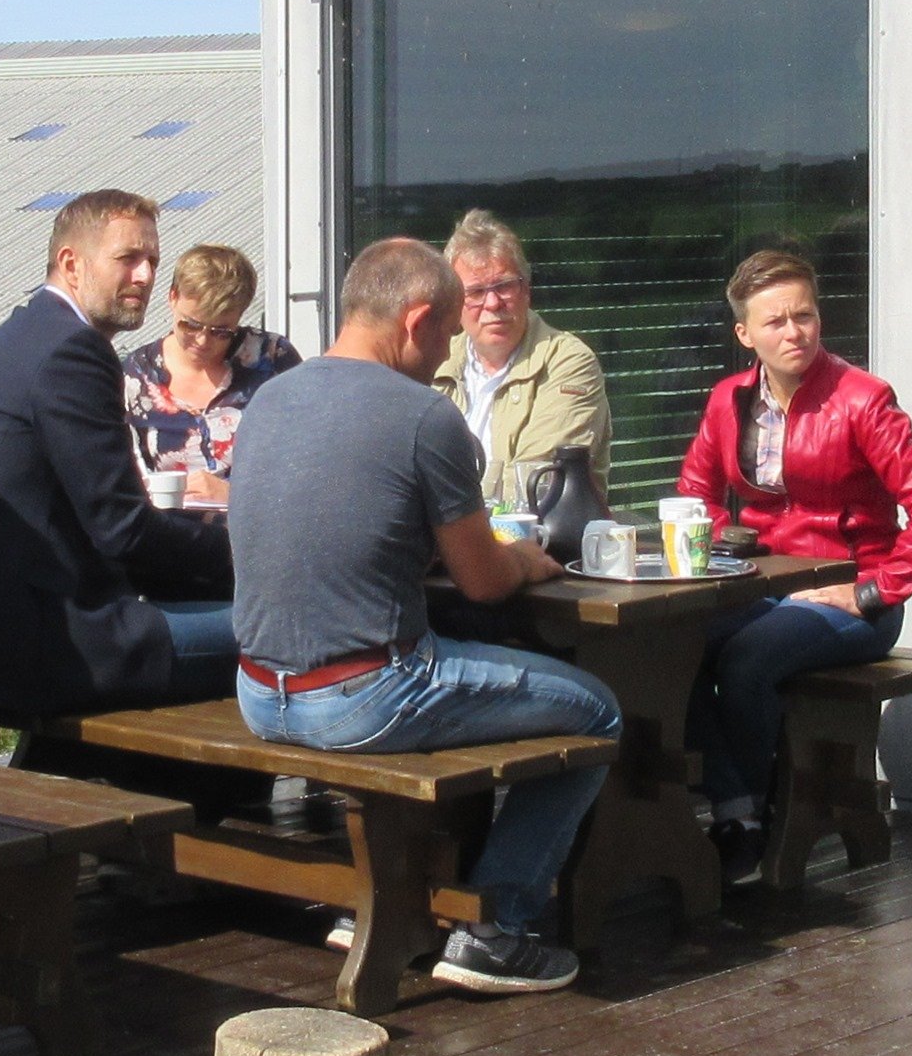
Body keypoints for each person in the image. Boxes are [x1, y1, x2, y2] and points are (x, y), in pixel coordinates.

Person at [227, 237, 622, 997]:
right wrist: (529, 560)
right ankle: (496, 927)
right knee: (599, 711)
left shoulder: (270, 398)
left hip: (258, 691)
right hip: (360, 697)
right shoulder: (422, 418)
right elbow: (482, 581)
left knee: (453, 669)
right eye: (445, 333)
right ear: (414, 320)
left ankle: (396, 897)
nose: (446, 352)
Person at [672, 248, 912, 887]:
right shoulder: (728, 401)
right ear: (745, 335)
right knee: (666, 643)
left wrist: (874, 591)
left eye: (803, 315)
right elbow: (694, 496)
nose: (794, 332)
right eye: (775, 322)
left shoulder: (862, 400)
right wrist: (728, 554)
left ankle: (743, 821)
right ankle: (734, 803)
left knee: (747, 659)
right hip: (760, 589)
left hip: (853, 604)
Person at [0, 189, 234, 717]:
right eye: (128, 259)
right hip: (42, 647)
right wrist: (245, 558)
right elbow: (123, 529)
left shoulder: (27, 334)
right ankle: (231, 803)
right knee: (288, 629)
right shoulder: (71, 351)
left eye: (152, 260)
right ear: (71, 263)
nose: (145, 276)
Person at [432, 211, 612, 498]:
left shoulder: (568, 362)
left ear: (526, 290)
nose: (492, 303)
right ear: (455, 303)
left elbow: (538, 484)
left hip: (542, 541)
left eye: (504, 286)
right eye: (476, 292)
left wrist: (441, 501)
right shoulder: (435, 361)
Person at [120, 242, 300, 501]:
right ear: (172, 297)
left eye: (221, 331)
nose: (202, 341)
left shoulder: (272, 358)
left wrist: (234, 496)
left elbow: (306, 459)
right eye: (190, 325)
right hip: (169, 532)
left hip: (249, 530)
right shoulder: (138, 374)